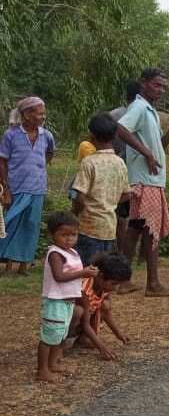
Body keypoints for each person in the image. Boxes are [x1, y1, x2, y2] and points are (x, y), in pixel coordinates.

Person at [116, 68, 169, 296]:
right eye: (157, 85)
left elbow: (158, 148)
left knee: (136, 228)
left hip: (150, 178)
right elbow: (121, 128)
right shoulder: (138, 107)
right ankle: (152, 283)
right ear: (143, 83)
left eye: (164, 87)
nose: (161, 90)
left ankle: (122, 279)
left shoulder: (149, 110)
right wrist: (145, 153)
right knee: (150, 230)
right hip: (145, 180)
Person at [36, 212, 97, 383]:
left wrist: (87, 271)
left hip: (67, 301)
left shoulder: (71, 252)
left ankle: (53, 363)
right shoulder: (55, 253)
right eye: (64, 234)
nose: (69, 238)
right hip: (55, 302)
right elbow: (59, 276)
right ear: (52, 235)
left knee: (60, 335)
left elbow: (73, 273)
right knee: (49, 336)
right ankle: (42, 370)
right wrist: (83, 272)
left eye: (73, 234)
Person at [1, 96, 55, 276]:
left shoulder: (46, 135)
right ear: (27, 115)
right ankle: (7, 263)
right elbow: (3, 162)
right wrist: (6, 188)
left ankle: (23, 265)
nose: (42, 117)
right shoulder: (11, 135)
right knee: (11, 223)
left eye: (43, 113)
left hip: (37, 188)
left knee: (31, 226)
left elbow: (49, 154)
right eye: (39, 113)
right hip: (16, 187)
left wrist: (38, 169)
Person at [71, 114, 131, 265]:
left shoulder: (89, 162)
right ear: (115, 135)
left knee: (87, 270)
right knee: (103, 271)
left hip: (88, 226)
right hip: (109, 227)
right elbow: (126, 194)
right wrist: (108, 202)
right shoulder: (120, 163)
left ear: (91, 135)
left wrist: (74, 214)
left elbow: (80, 198)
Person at [68, 252, 132, 361]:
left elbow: (106, 312)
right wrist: (102, 348)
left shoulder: (103, 287)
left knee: (106, 304)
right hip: (72, 320)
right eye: (114, 284)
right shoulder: (84, 289)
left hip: (87, 316)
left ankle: (83, 338)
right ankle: (65, 340)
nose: (115, 288)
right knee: (78, 311)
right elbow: (85, 323)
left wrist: (118, 334)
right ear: (100, 276)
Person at [111, 80, 143, 251]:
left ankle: (118, 250)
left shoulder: (113, 115)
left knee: (119, 215)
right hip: (137, 172)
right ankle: (126, 253)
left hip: (114, 169)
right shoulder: (143, 114)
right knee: (139, 219)